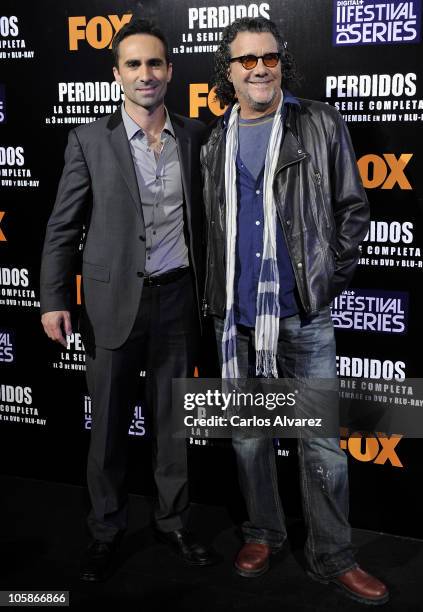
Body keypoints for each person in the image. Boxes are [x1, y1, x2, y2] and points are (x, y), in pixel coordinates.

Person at [201, 16, 388, 605]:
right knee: (250, 439)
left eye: (270, 57)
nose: (260, 68)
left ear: (282, 62)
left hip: (303, 316)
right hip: (236, 319)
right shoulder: (212, 143)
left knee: (322, 448)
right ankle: (263, 531)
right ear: (228, 72)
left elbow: (352, 210)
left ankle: (333, 554)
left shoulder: (318, 123)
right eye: (247, 60)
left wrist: (321, 279)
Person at [40, 18, 217, 582]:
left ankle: (173, 523)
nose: (147, 74)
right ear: (117, 75)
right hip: (112, 305)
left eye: (156, 63)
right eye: (134, 65)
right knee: (109, 427)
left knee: (172, 425)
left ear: (170, 70)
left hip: (178, 302)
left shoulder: (196, 136)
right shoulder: (89, 139)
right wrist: (51, 298)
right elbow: (62, 227)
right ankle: (106, 530)